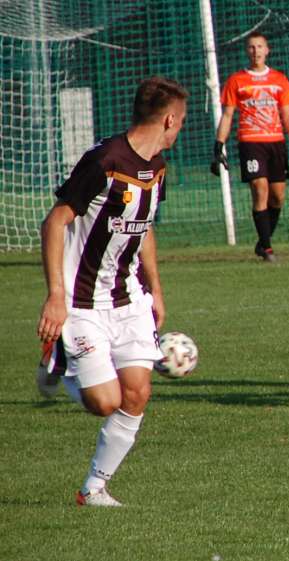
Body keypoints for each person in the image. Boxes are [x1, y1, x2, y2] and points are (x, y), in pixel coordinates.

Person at [36, 76, 188, 507]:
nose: (180, 130)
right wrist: (55, 296)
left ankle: (94, 488)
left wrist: (156, 290)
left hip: (128, 298)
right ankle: (56, 357)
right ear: (169, 119)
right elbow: (55, 222)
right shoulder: (104, 160)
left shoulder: (157, 167)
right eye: (181, 122)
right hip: (82, 303)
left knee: (137, 393)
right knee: (106, 402)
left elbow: (146, 228)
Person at [211, 31, 289, 262]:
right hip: (251, 142)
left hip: (276, 142)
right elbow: (227, 115)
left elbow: (287, 114)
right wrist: (218, 146)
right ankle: (268, 247)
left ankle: (262, 242)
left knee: (278, 197)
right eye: (252, 47)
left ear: (267, 50)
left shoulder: (279, 80)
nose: (256, 51)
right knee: (259, 188)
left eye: (260, 47)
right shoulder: (237, 81)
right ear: (247, 51)